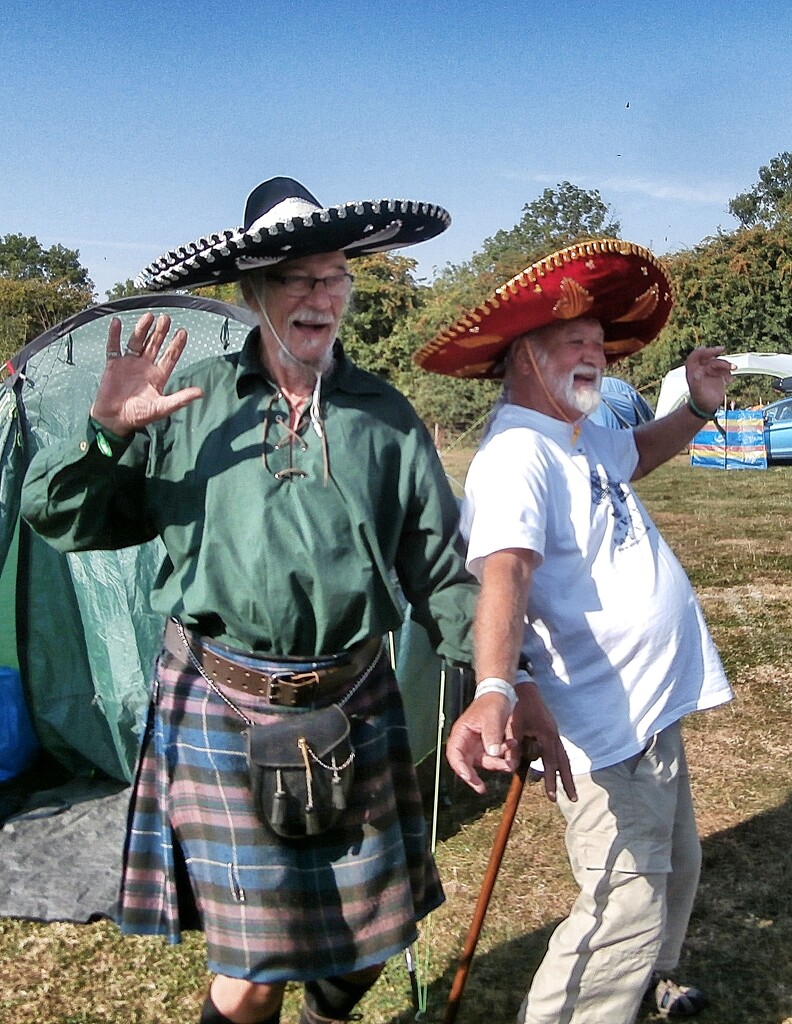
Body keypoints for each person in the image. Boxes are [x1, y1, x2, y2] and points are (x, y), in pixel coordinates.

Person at [20, 177, 477, 1024]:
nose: (318, 295)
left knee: (369, 945)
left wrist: (492, 683)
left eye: (333, 276)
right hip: (220, 706)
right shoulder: (186, 407)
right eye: (294, 278)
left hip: (357, 700)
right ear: (250, 292)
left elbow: (440, 569)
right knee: (256, 968)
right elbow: (66, 523)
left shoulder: (386, 418)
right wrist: (107, 434)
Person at [415, 240, 735, 1024]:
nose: (596, 355)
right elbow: (504, 574)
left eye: (599, 343)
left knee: (677, 863)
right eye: (576, 343)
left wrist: (694, 407)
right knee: (621, 899)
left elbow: (636, 454)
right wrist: (496, 686)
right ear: (526, 353)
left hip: (649, 705)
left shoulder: (579, 432)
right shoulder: (515, 455)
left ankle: (653, 980)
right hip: (596, 720)